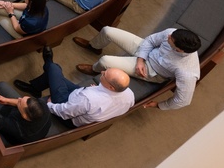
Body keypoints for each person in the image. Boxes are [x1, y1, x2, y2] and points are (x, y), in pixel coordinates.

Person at [74, 27, 202, 110]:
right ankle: (94, 46)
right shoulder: (173, 33)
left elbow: (183, 100)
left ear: (179, 50)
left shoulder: (187, 72)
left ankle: (95, 69)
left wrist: (159, 105)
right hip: (146, 50)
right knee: (107, 31)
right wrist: (141, 59)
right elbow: (151, 40)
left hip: (151, 70)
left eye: (170, 39)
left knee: (105, 61)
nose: (168, 36)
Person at [13, 47, 133, 127]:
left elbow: (65, 112)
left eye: (105, 75)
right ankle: (37, 86)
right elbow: (108, 103)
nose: (101, 72)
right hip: (80, 97)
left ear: (111, 87)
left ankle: (48, 63)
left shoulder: (88, 99)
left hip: (66, 109)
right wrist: (97, 89)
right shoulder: (129, 95)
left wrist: (50, 105)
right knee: (54, 75)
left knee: (54, 69)